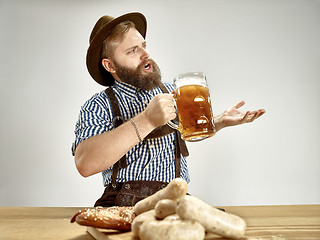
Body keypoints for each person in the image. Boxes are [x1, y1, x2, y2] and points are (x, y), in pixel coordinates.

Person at [71, 12, 265, 207]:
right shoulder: (98, 105)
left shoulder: (172, 90)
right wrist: (147, 119)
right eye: (132, 51)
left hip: (175, 198)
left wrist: (219, 121)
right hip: (122, 202)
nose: (146, 55)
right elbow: (85, 163)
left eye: (144, 46)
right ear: (110, 65)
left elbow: (190, 129)